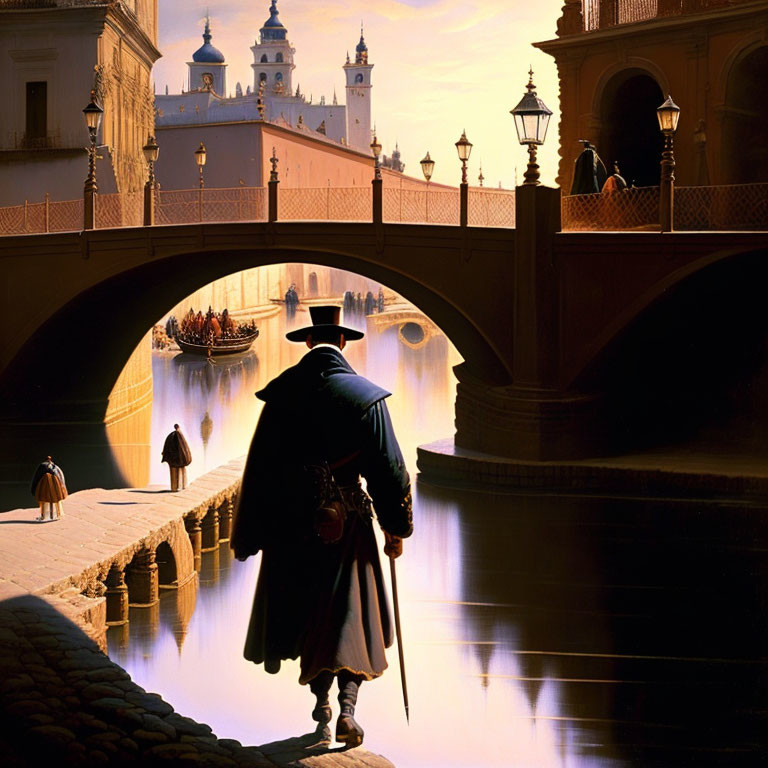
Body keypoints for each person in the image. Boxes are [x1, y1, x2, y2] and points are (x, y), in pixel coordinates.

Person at [231, 305, 413, 748]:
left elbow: (259, 472)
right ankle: (349, 710)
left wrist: (249, 536)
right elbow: (390, 471)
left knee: (307, 613)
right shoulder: (367, 398)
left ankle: (322, 710)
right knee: (349, 617)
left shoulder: (281, 395)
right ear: (344, 343)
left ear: (310, 343)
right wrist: (396, 527)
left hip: (292, 526)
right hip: (348, 525)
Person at [30, 456, 67, 521]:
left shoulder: (42, 467)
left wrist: (34, 489)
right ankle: (55, 515)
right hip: (55, 488)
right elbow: (61, 478)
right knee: (54, 502)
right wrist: (63, 489)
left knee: (44, 502)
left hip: (44, 488)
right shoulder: (56, 468)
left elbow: (36, 478)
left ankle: (44, 516)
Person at [161, 424, 192, 491]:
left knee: (175, 474)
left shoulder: (172, 436)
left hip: (174, 460)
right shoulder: (179, 436)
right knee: (181, 472)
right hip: (179, 460)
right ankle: (181, 487)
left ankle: (175, 488)